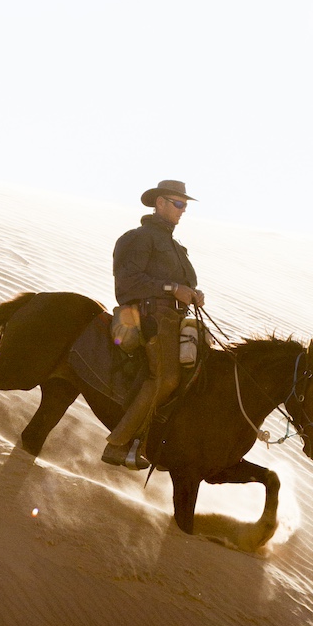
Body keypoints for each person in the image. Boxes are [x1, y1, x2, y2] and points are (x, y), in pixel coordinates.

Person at [102, 180, 204, 469]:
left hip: (176, 319)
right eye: (179, 204)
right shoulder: (138, 238)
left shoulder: (177, 247)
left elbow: (183, 285)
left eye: (185, 206)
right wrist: (173, 289)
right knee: (166, 378)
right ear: (160, 203)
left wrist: (193, 294)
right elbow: (127, 283)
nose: (183, 211)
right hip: (149, 317)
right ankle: (117, 444)